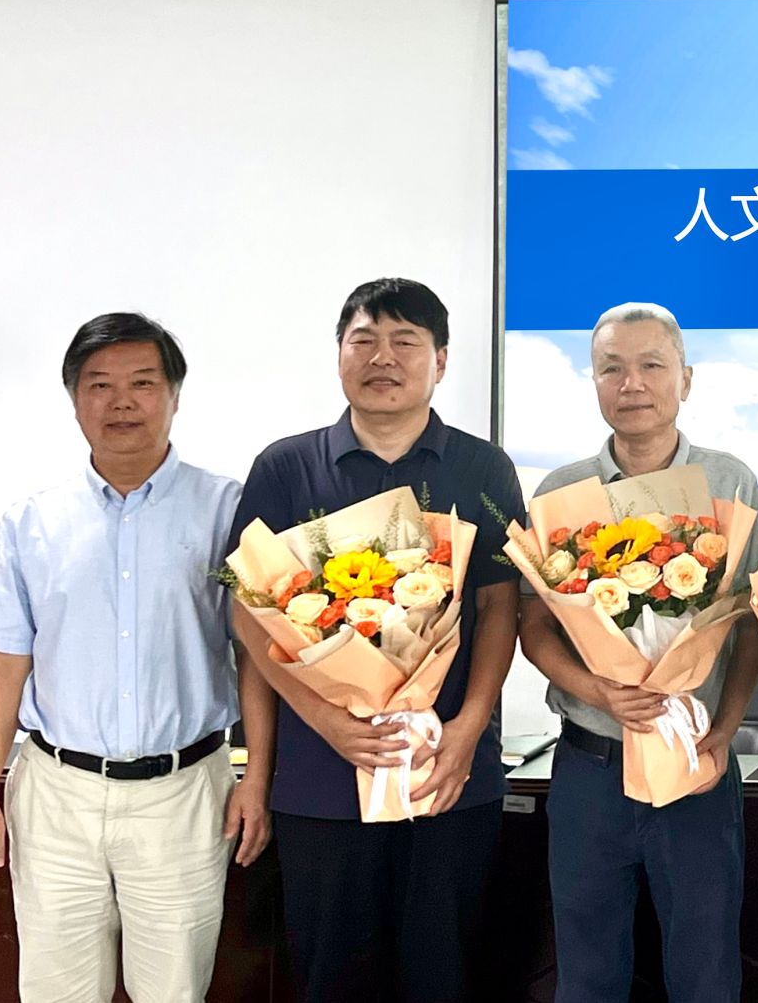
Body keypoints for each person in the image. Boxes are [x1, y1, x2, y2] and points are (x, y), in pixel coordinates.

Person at [0, 313, 268, 1003]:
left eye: (142, 383)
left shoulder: (230, 510)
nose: (121, 402)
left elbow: (258, 658)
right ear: (74, 400)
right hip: (55, 793)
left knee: (173, 991)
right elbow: (1, 668)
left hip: (185, 794)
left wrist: (259, 780)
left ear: (174, 395)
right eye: (99, 385)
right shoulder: (31, 523)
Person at [228, 278, 522, 1003]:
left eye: (404, 342)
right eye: (363, 340)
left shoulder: (484, 468)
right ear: (339, 354)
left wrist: (469, 728)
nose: (382, 358)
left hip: (445, 773)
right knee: (331, 977)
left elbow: (500, 605)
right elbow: (249, 615)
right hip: (321, 781)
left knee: (444, 975)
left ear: (441, 360)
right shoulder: (284, 467)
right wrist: (319, 722)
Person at [519, 302, 758, 1002]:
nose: (632, 383)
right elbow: (534, 626)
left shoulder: (729, 481)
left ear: (685, 378)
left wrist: (726, 730)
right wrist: (598, 689)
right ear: (594, 381)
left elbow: (753, 623)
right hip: (590, 765)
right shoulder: (561, 491)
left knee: (705, 971)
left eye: (651, 365)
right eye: (612, 368)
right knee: (587, 973)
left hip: (696, 764)